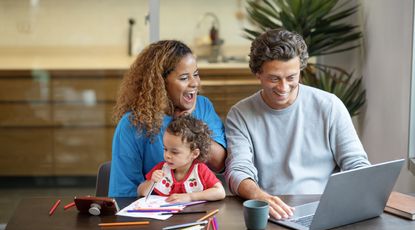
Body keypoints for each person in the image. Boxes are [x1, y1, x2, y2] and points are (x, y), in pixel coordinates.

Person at [224, 29, 370, 219]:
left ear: (300, 69)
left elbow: (356, 163)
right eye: (274, 78)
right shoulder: (240, 114)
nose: (283, 88)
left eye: (291, 77)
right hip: (271, 211)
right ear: (258, 73)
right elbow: (237, 170)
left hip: (323, 210)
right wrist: (260, 197)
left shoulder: (330, 106)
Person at [109, 40, 227, 197]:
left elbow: (219, 163)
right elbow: (123, 193)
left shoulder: (203, 107)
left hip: (197, 210)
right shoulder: (133, 124)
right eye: (184, 78)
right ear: (161, 83)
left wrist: (190, 122)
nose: (195, 83)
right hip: (153, 215)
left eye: (196, 74)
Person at [138, 115, 226, 202]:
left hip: (194, 215)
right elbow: (141, 192)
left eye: (174, 152)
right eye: (165, 149)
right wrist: (151, 181)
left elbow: (220, 192)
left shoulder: (200, 170)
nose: (167, 155)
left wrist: (190, 197)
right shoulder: (161, 169)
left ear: (194, 154)